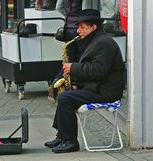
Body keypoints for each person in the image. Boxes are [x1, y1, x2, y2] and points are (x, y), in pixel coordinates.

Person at [44, 9, 125, 153]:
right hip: (97, 87)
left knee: (66, 98)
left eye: (82, 27)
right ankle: (62, 136)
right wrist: (77, 84)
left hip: (105, 92)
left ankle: (70, 141)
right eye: (78, 27)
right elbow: (92, 70)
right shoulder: (94, 41)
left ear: (93, 27)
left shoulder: (103, 43)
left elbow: (98, 71)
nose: (78, 31)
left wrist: (73, 68)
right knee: (66, 93)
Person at [48, 0, 82, 101]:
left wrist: (69, 15)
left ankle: (58, 85)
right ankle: (57, 84)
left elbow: (59, 7)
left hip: (68, 27)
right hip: (79, 28)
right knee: (74, 61)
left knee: (70, 60)